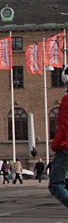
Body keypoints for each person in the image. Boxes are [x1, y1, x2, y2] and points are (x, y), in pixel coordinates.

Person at [49, 66, 68, 209]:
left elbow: (64, 127)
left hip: (66, 149)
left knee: (56, 185)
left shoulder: (67, 99)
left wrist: (55, 145)